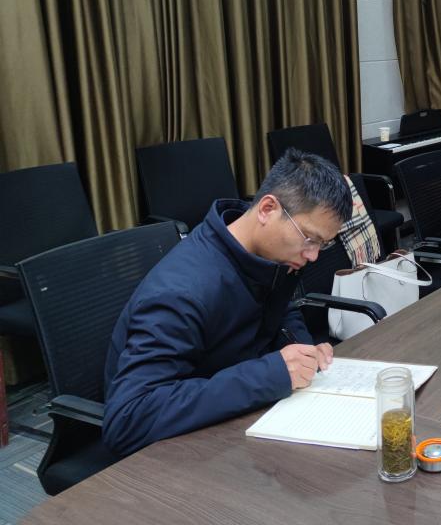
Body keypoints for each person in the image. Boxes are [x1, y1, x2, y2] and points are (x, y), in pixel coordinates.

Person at [103, 149, 353, 457]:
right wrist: (271, 374)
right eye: (310, 239)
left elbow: (281, 310)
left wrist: (301, 351)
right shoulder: (181, 292)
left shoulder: (268, 254)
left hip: (238, 416)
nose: (313, 256)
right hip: (179, 452)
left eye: (322, 245)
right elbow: (128, 419)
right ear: (267, 209)